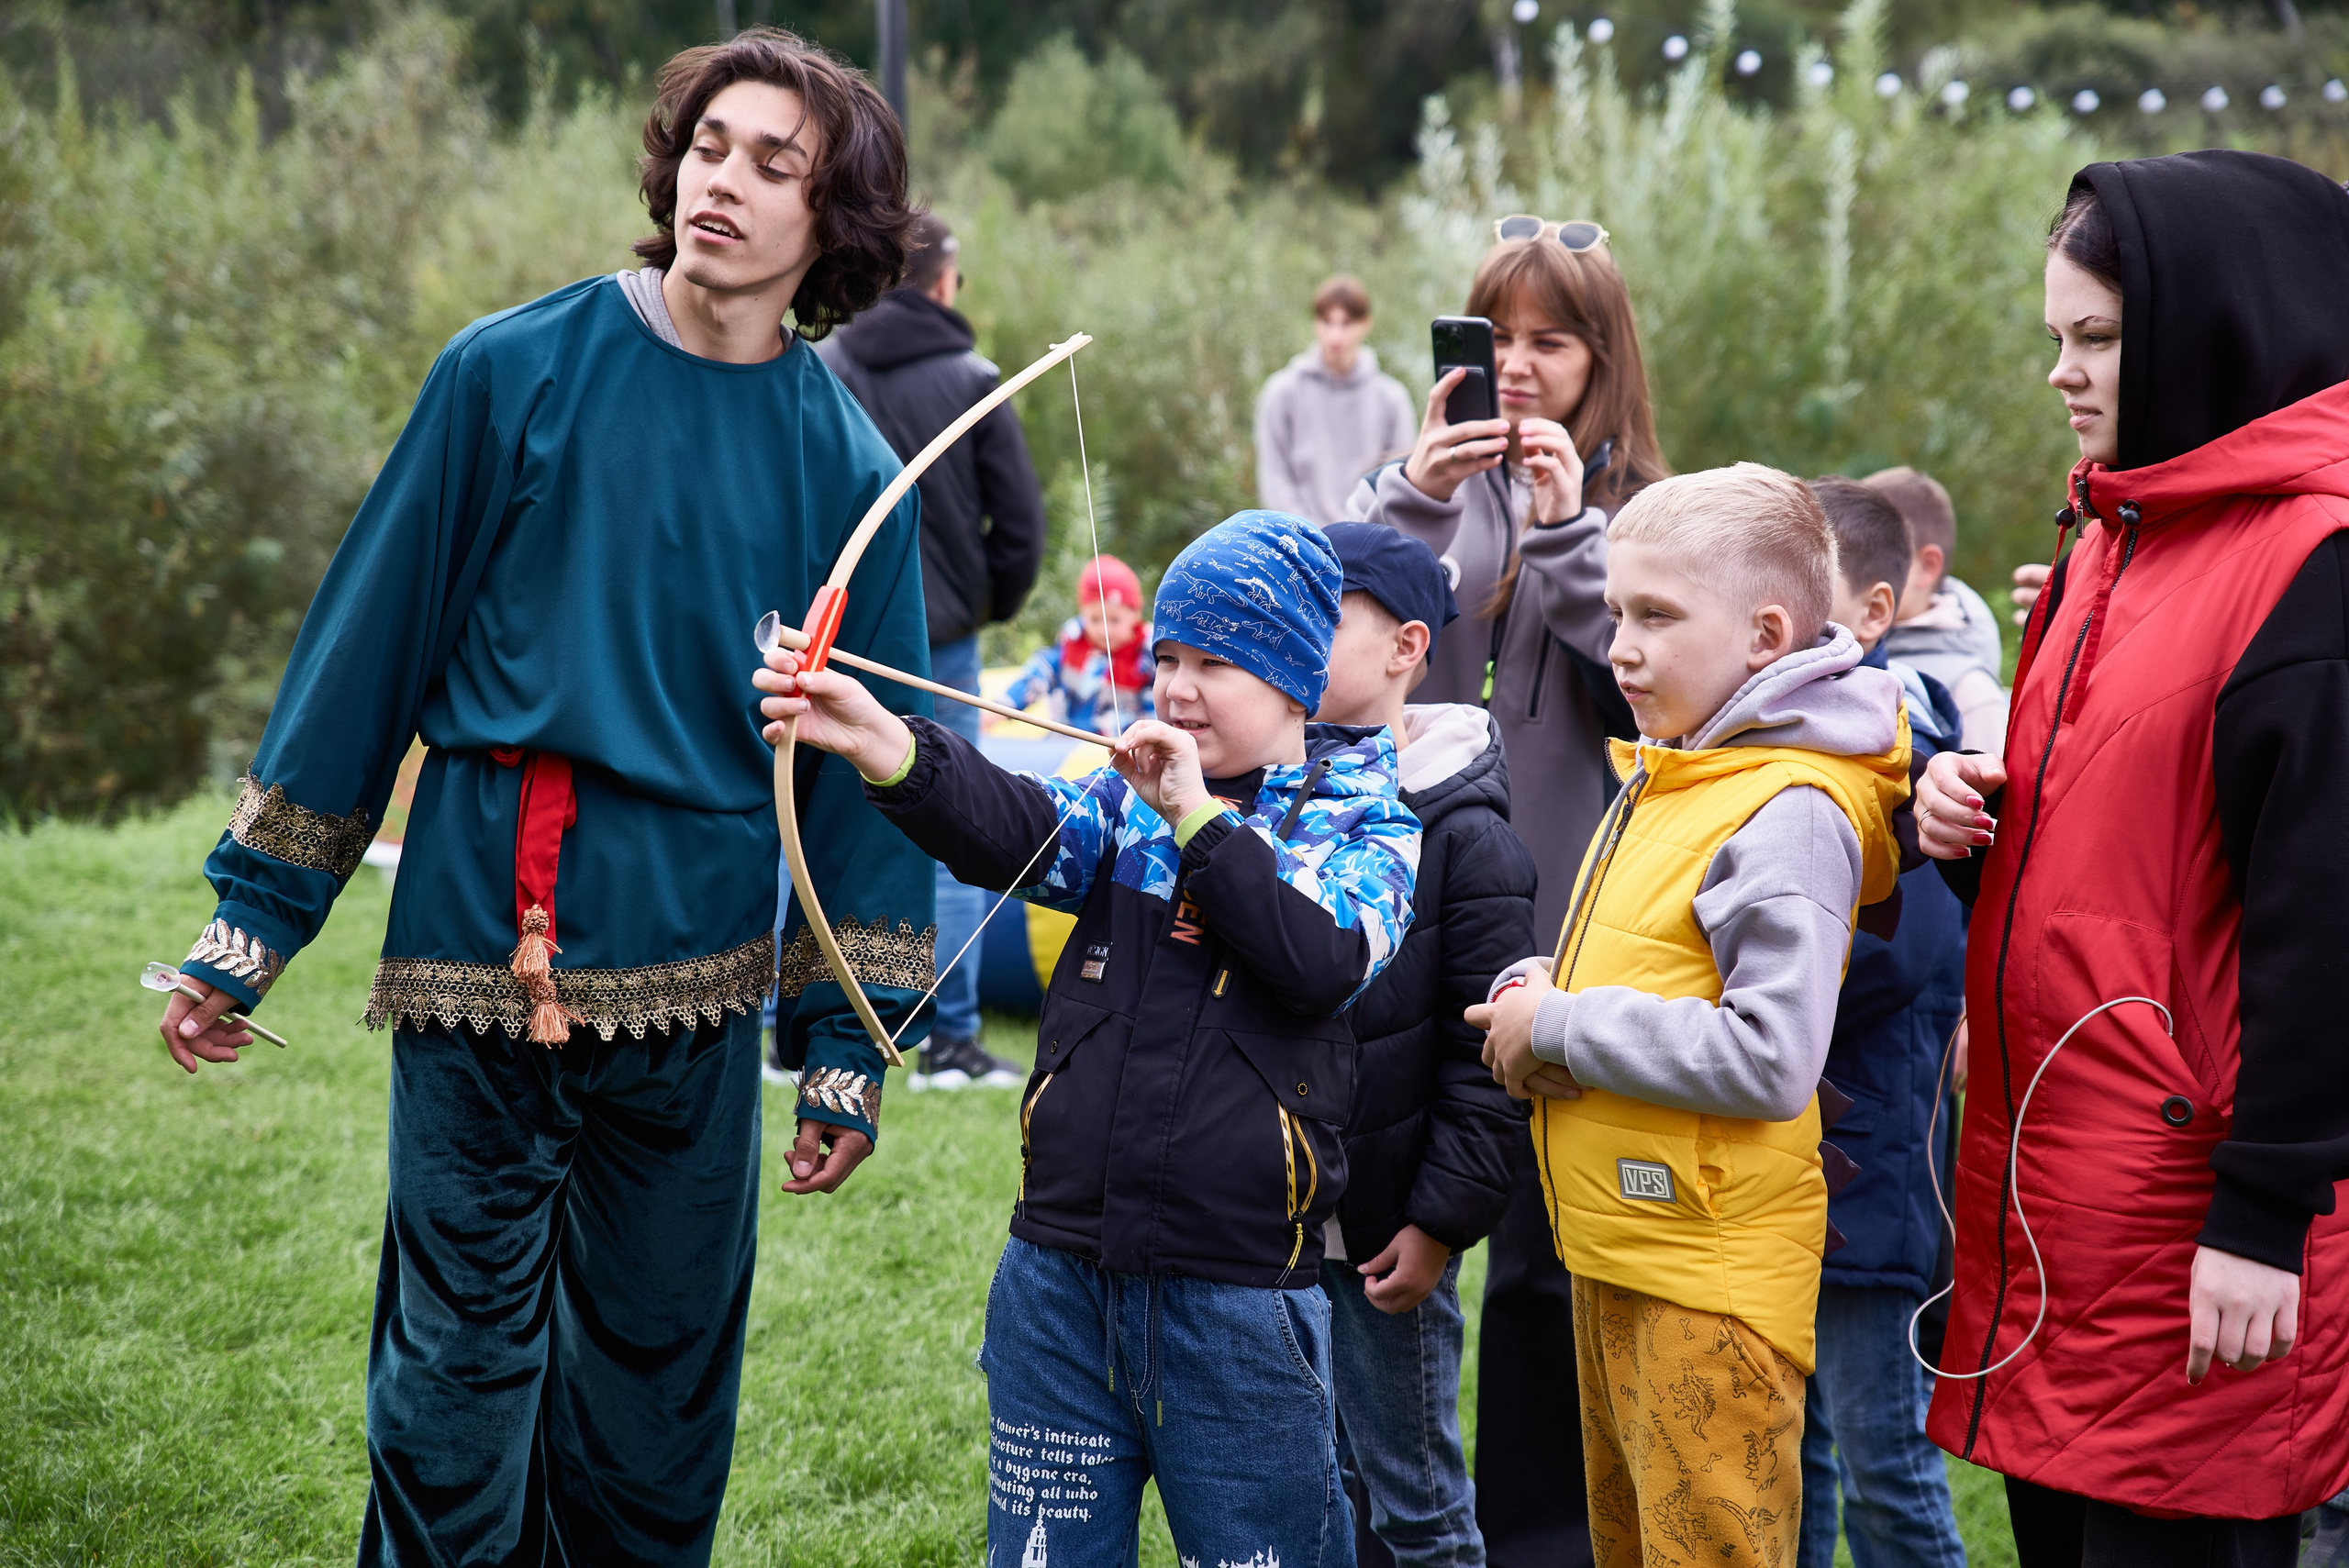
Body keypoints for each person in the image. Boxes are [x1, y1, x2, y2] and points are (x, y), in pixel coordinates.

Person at [156, 31, 931, 1563]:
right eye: (713, 145)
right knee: (452, 1385)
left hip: (698, 970)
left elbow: (864, 774)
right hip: (480, 939)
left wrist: (848, 1043)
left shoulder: (850, 462)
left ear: (830, 222)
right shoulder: (507, 372)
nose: (726, 181)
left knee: (655, 1403)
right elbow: (365, 653)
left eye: (776, 167)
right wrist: (252, 924)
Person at [756, 509, 1419, 1565]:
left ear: (1295, 679)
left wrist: (1198, 817)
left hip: (1240, 1301)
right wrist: (880, 738)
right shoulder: (1124, 801)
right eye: (1167, 657)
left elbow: (1317, 956)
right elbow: (1011, 827)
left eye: (1217, 661)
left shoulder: (1368, 824)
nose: (1178, 686)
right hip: (1059, 1280)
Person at [1912, 152, 2349, 1567]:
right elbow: (2137, 864)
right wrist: (1978, 833)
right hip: (2057, 1202)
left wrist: (2265, 1215)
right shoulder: (2115, 528)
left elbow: (2320, 918)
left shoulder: (2311, 560)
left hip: (2195, 1225)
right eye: (2057, 338)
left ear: (2214, 324)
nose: (2064, 372)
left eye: (2096, 336)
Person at [1473, 462, 1912, 1568]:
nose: (1618, 644)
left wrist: (1565, 1027)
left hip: (1705, 1286)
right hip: (1627, 1244)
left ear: (1766, 634)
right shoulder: (1678, 771)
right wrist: (1543, 987)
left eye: (1655, 615)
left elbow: (1770, 1056)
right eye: (1616, 611)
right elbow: (1656, 971)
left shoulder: (1789, 805)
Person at [1345, 217, 1670, 1568]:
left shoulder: (1655, 510)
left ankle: (1539, 1541)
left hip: (1566, 950)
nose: (1524, 368)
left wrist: (1573, 534)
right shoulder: (1420, 485)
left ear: (1606, 360)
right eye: (1502, 336)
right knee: (1381, 1241)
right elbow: (1342, 649)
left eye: (1555, 340)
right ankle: (1375, 1524)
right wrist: (1418, 496)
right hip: (1394, 929)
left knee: (1541, 1270)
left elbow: (1656, 690)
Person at [1315, 522, 1535, 1568]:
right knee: (1312, 1483)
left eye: (1318, 619)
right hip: (1268, 1224)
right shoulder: (1270, 796)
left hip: (1384, 1229)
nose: (1284, 641)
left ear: (1407, 647)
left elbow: (1487, 1061)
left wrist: (1438, 1222)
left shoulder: (1467, 831)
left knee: (1413, 1500)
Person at [818, 211, 1046, 1091]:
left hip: (839, 636)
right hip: (939, 642)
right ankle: (947, 1040)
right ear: (946, 282)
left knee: (806, 812)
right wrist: (985, 603)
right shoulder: (971, 377)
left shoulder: (823, 366)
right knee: (953, 822)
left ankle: (774, 1026)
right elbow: (1019, 528)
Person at [1798, 477, 1969, 1568]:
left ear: (1873, 608)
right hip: (1792, 1159)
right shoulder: (1790, 733)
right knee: (1792, 1449)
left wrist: (1754, 978)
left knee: (1883, 1458)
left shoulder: (1911, 748)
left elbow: (1911, 942)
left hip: (1876, 1162)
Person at [1255, 274, 1419, 526]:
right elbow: (1275, 480)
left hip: (1368, 548)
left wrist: (1361, 541)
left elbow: (1399, 481)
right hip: (1299, 546)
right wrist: (1309, 539)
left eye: (1346, 323)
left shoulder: (1392, 399)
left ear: (1366, 324)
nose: (1335, 335)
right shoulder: (1281, 392)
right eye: (1327, 322)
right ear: (1315, 323)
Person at [1868, 466, 2009, 755]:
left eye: (1871, 553)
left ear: (1928, 566)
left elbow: (1988, 796)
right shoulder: (1852, 646)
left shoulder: (1970, 692)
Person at [1002, 553, 1156, 737]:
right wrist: (1004, 707)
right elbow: (1038, 675)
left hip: (1119, 750)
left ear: (1136, 613)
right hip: (1068, 745)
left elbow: (1157, 708)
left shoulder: (1147, 655)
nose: (1104, 630)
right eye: (1094, 619)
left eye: (1115, 620)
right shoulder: (1073, 642)